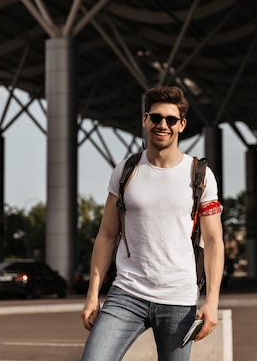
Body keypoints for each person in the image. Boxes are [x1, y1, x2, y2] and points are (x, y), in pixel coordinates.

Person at [80, 86, 225, 361]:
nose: (162, 125)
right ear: (145, 119)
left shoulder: (200, 175)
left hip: (178, 297)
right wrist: (92, 295)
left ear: (182, 125)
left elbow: (215, 241)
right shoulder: (125, 171)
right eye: (156, 117)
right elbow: (107, 236)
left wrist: (212, 300)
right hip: (127, 293)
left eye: (171, 120)